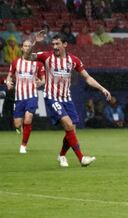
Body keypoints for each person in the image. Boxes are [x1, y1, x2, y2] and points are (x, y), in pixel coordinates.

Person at [31, 32, 111, 167]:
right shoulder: (46, 56)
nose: (55, 47)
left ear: (65, 44)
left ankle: (61, 155)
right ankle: (82, 159)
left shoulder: (73, 60)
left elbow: (87, 77)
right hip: (51, 97)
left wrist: (102, 88)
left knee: (71, 129)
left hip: (66, 98)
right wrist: (34, 41)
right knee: (68, 125)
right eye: (53, 44)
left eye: (57, 44)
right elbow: (27, 56)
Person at [4, 40, 45, 154]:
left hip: (32, 95)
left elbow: (43, 80)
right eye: (25, 46)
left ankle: (23, 145)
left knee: (28, 119)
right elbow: (9, 77)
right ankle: (18, 128)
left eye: (29, 46)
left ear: (31, 49)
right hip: (19, 96)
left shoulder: (38, 64)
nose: (27, 48)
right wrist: (8, 83)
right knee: (17, 124)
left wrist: (40, 83)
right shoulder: (16, 62)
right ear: (22, 48)